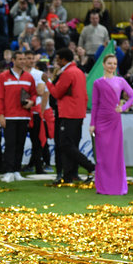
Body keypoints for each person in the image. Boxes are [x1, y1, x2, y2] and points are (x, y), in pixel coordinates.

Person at [43, 48, 94, 184]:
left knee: (65, 144)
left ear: (63, 59)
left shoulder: (68, 73)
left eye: (58, 58)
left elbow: (57, 93)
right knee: (72, 144)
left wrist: (47, 81)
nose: (56, 61)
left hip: (68, 113)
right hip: (78, 113)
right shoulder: (79, 72)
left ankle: (91, 167)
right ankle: (69, 174)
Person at [89, 54, 133, 195]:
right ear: (103, 65)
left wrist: (122, 108)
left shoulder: (121, 80)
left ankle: (117, 186)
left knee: (116, 154)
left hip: (114, 120)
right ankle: (103, 186)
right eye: (109, 63)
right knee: (102, 156)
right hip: (101, 121)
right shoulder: (98, 83)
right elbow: (95, 104)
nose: (112, 66)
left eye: (114, 63)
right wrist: (92, 123)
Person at [0, 51, 37, 183]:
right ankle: (8, 171)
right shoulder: (3, 76)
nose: (23, 61)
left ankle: (16, 170)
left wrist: (32, 102)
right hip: (9, 117)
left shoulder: (29, 77)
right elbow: (0, 97)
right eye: (20, 59)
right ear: (13, 60)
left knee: (21, 144)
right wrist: (1, 115)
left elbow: (34, 94)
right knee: (10, 145)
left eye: (24, 59)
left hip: (24, 117)